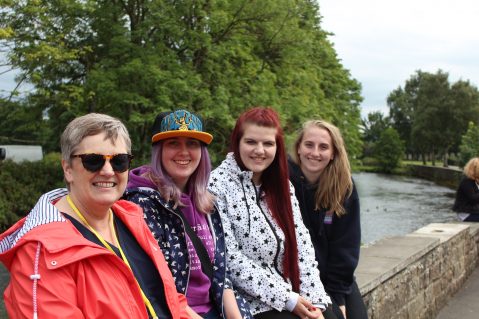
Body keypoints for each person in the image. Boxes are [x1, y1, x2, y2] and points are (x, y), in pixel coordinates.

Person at [0, 113, 191, 319]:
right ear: (68, 169)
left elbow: (171, 301)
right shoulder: (39, 253)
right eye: (93, 161)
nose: (108, 171)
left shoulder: (132, 218)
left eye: (119, 161)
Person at [124, 109, 252, 319]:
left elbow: (220, 271)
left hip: (215, 308)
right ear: (159, 151)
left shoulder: (207, 202)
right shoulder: (142, 204)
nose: (184, 152)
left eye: (192, 143)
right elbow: (154, 285)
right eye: (173, 143)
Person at [208, 107, 334, 319]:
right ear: (237, 142)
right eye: (251, 142)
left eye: (268, 143)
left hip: (290, 289)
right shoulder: (217, 186)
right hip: (249, 302)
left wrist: (314, 301)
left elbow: (302, 244)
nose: (260, 150)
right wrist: (288, 299)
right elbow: (230, 259)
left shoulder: (282, 186)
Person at [288, 120, 368, 319]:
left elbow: (346, 247)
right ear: (298, 148)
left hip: (332, 277)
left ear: (333, 153)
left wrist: (338, 297)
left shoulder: (344, 188)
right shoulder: (281, 180)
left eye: (323, 147)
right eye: (309, 145)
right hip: (296, 279)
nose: (315, 153)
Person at [453, 157, 479, 221]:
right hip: (465, 214)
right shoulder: (466, 182)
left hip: (473, 211)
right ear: (475, 170)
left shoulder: (475, 181)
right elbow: (473, 199)